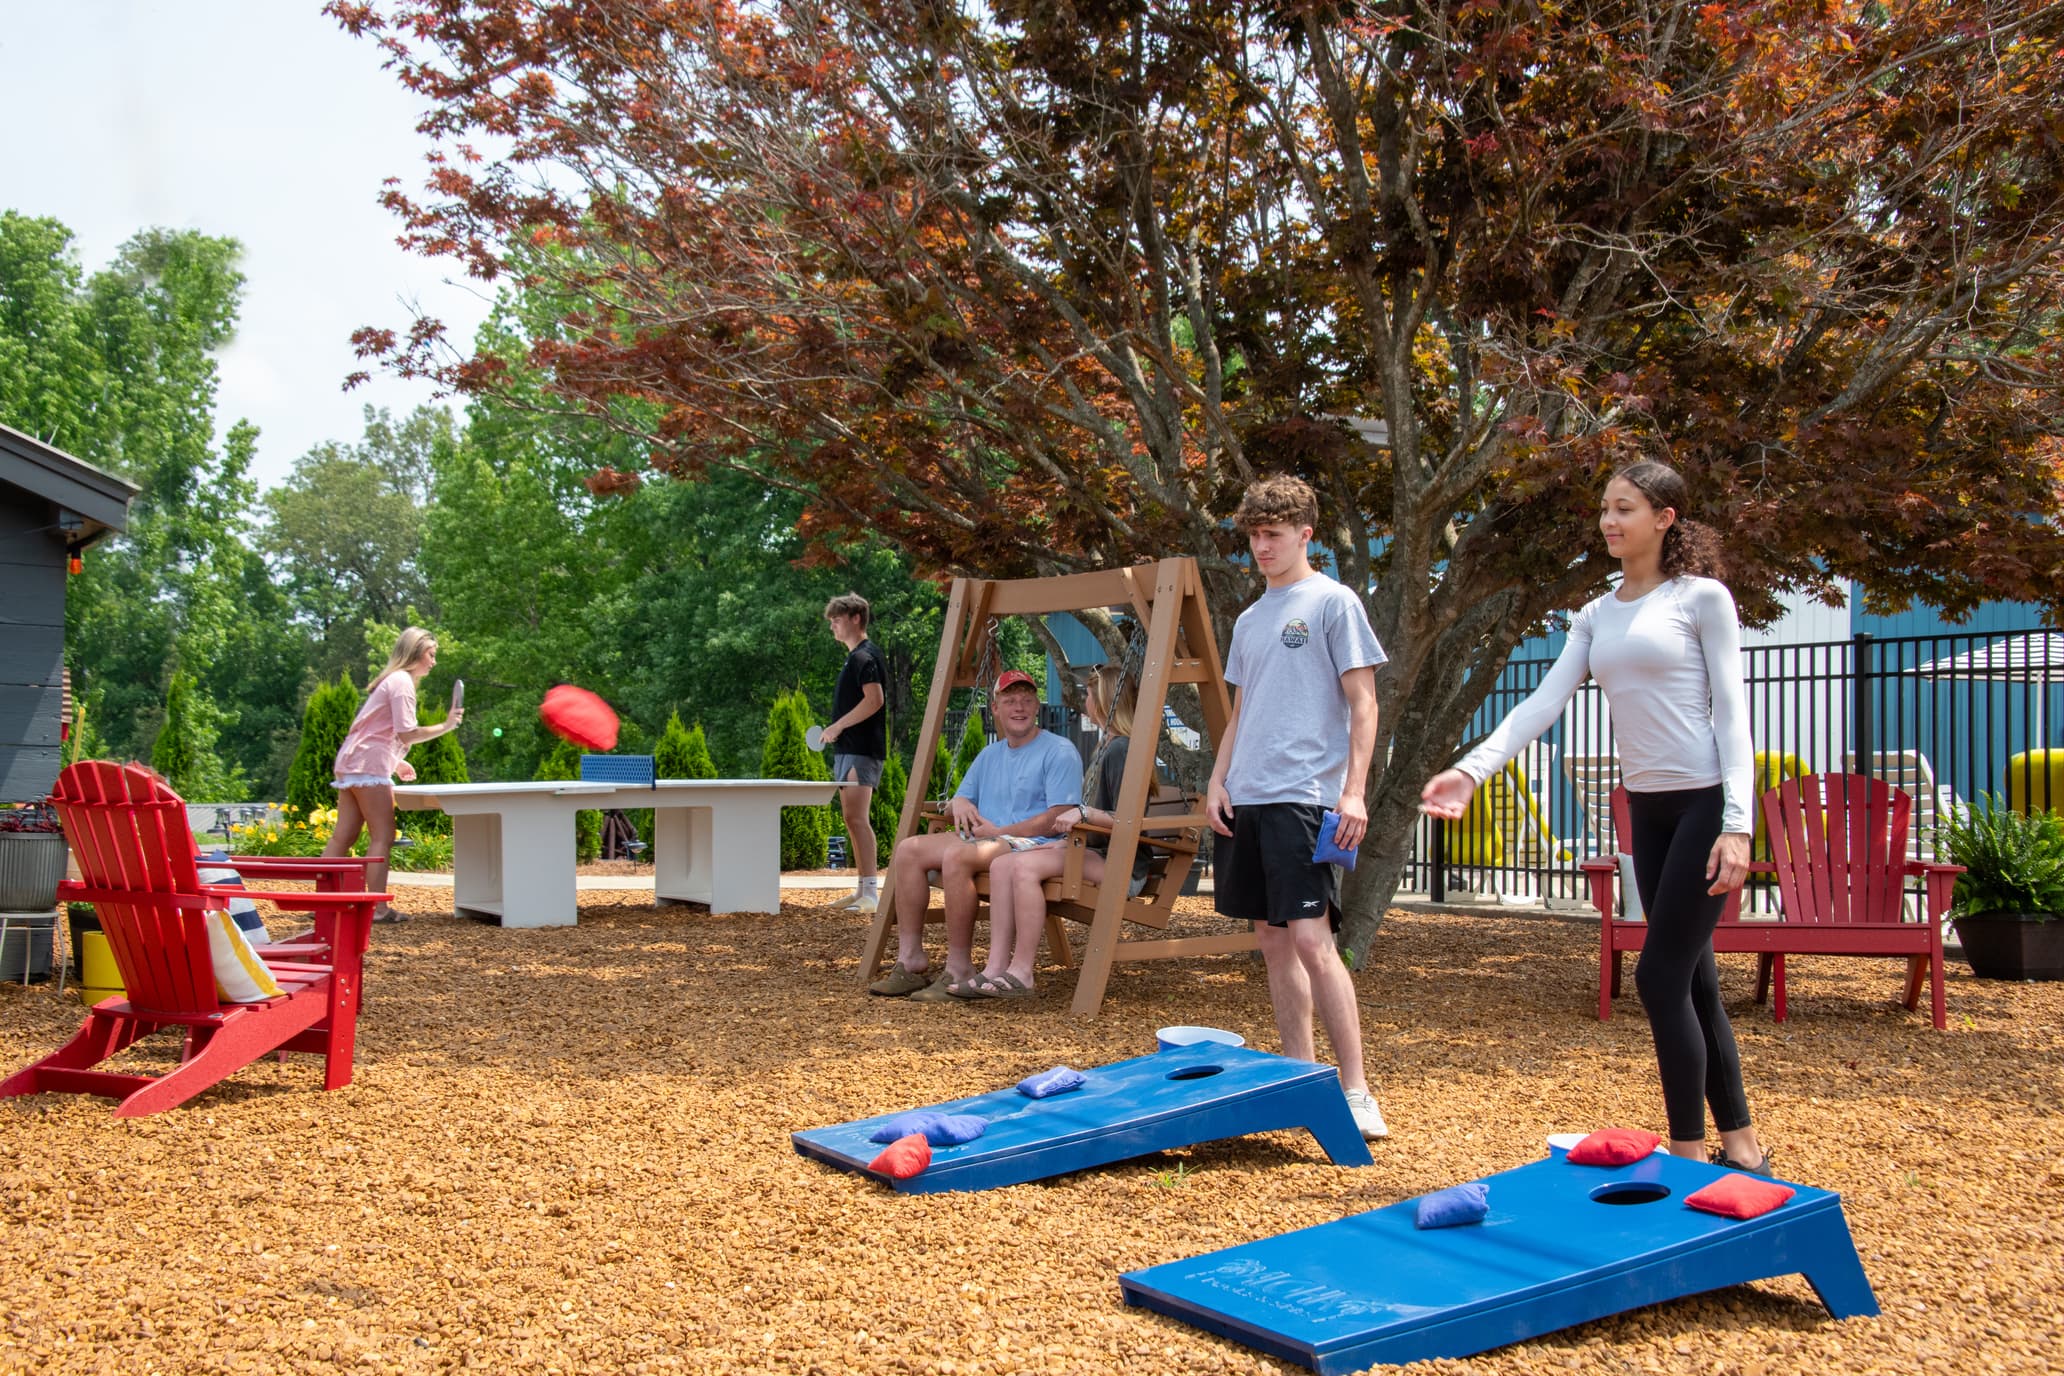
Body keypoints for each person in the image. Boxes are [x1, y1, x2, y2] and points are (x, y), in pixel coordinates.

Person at [1420, 459, 1770, 1173]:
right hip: (1647, 808)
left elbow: (1733, 715)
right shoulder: (1595, 614)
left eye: (1626, 508)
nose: (1610, 521)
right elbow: (1541, 705)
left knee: (1658, 979)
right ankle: (1744, 1147)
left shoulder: (1702, 599)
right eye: (1606, 509)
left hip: (1705, 805)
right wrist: (1470, 769)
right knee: (1694, 978)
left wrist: (1738, 822)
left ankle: (1688, 1155)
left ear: (1665, 518)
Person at [1206, 475, 1390, 1141]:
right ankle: (1298, 1081)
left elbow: (1364, 702)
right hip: (1248, 797)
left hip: (1308, 797)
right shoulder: (1250, 620)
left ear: (1305, 534)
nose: (1261, 545)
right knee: (1270, 939)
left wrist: (1354, 791)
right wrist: (1217, 780)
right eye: (1254, 535)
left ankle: (1356, 1090)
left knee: (1314, 940)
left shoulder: (1334, 603)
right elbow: (1242, 711)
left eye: (1273, 534)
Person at [869, 670, 1082, 1003]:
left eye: (1026, 700)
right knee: (908, 850)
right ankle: (910, 960)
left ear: (1037, 705)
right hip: (989, 838)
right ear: (995, 709)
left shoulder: (1059, 750)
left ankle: (959, 966)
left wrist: (999, 831)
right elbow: (960, 797)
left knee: (958, 855)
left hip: (1029, 846)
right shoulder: (989, 755)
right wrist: (962, 801)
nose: (1019, 707)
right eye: (1010, 701)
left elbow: (1057, 817)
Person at [963, 665, 1152, 998]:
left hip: (1120, 863)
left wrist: (1084, 813)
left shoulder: (1122, 750)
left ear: (1106, 700)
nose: (1085, 702)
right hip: (1087, 850)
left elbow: (1131, 819)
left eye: (1089, 695)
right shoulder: (1107, 745)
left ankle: (1022, 972)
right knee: (1002, 863)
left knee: (1021, 866)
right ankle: (995, 967)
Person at [323, 627, 463, 925]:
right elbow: (406, 732)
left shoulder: (391, 680)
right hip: (368, 765)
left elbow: (375, 730)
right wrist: (447, 725)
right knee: (383, 836)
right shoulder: (402, 683)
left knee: (343, 837)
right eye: (431, 655)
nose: (434, 662)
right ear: (415, 654)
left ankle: (325, 903)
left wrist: (396, 762)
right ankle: (378, 908)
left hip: (351, 761)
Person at [821, 592, 888, 914]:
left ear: (856, 618)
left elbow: (875, 700)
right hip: (849, 750)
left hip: (861, 750)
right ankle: (861, 889)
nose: (832, 626)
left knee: (858, 819)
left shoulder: (865, 657)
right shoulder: (855, 657)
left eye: (837, 619)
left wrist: (837, 727)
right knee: (851, 818)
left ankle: (871, 894)